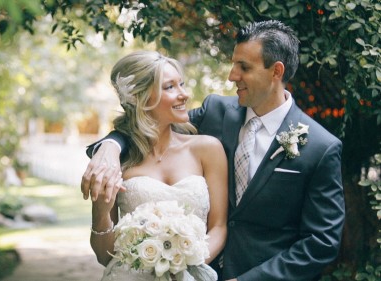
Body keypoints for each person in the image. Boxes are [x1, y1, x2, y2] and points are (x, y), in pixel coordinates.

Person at [82, 20, 345, 281]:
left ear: (276, 72)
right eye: (233, 64)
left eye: (244, 67)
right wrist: (110, 145)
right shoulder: (216, 112)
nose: (232, 76)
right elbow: (147, 125)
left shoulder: (320, 147)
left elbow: (321, 242)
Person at [88, 51, 228, 280]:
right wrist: (102, 212)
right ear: (141, 98)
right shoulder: (117, 162)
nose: (184, 94)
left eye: (181, 84)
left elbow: (219, 227)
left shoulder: (207, 149)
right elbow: (105, 256)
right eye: (170, 87)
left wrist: (182, 263)